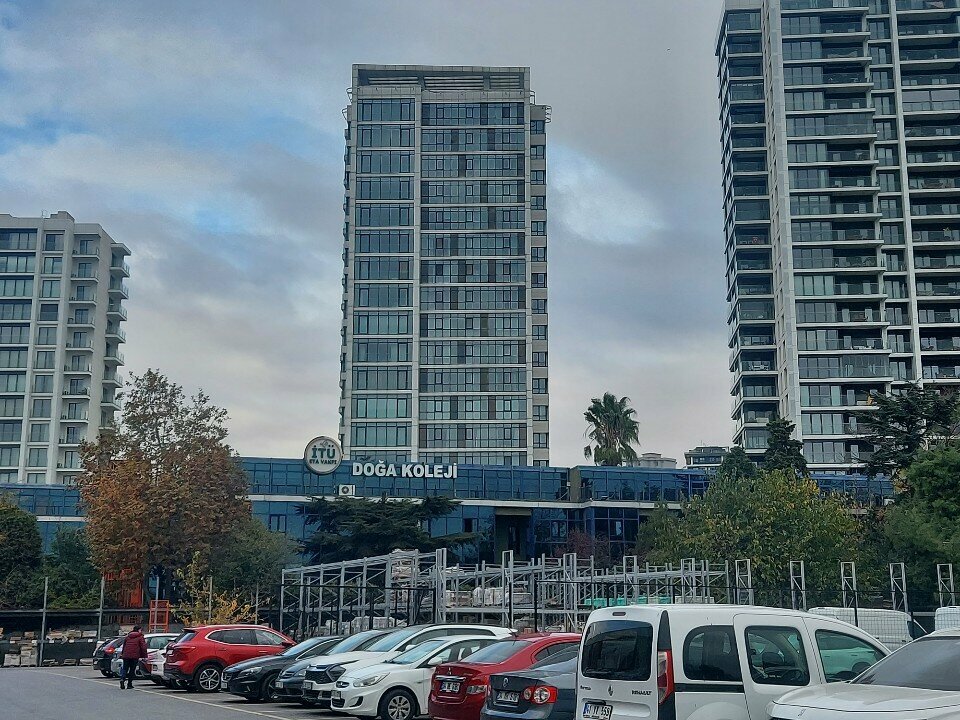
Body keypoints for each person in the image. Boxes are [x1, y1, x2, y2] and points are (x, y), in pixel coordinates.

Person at [119, 625, 147, 689]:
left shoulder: (128, 637)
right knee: (132, 669)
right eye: (140, 630)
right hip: (134, 656)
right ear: (139, 630)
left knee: (125, 668)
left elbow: (124, 646)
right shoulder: (140, 637)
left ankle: (122, 679)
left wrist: (123, 654)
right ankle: (129, 684)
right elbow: (143, 647)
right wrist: (144, 656)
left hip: (126, 655)